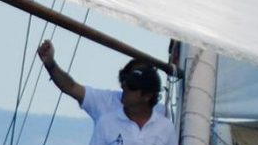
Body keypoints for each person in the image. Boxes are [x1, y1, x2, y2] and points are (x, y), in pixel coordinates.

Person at [37, 39, 165, 121]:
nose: (125, 86)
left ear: (147, 95)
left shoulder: (163, 115)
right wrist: (50, 64)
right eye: (125, 80)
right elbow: (71, 87)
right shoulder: (106, 102)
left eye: (133, 84)